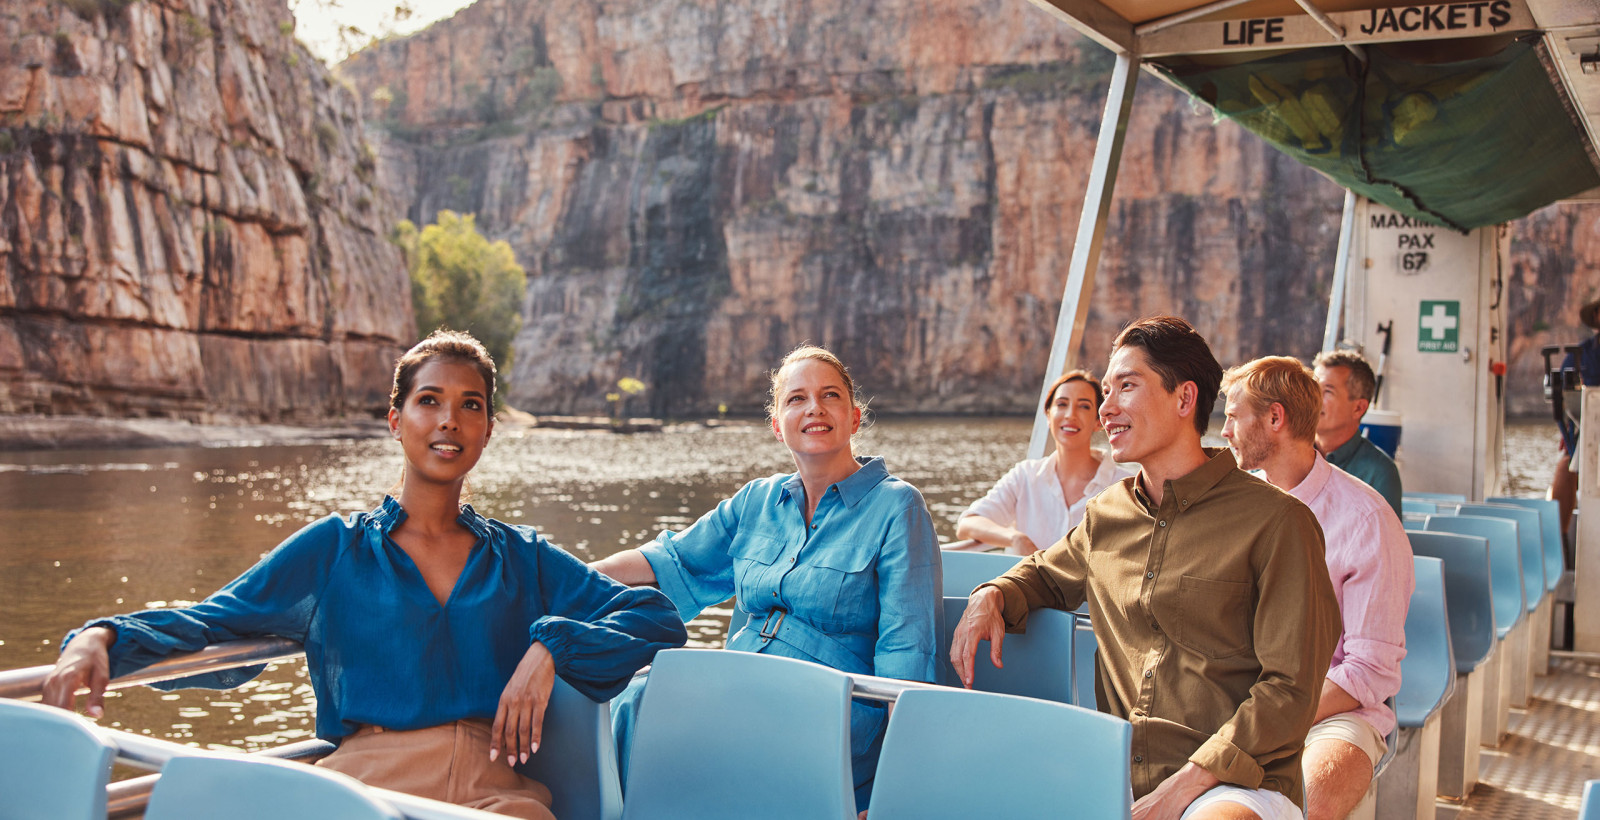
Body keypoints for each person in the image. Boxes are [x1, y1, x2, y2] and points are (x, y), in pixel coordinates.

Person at [41, 330, 688, 819]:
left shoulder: (521, 556)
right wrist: (102, 637)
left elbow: (654, 617)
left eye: (470, 405)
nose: (449, 420)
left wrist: (552, 646)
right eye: (429, 401)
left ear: (488, 430)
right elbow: (214, 621)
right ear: (396, 421)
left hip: (493, 793)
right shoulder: (335, 548)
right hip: (364, 789)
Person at [950, 316, 1340, 820]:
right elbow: (1044, 574)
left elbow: (1290, 690)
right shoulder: (1105, 514)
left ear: (1184, 399)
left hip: (1235, 783)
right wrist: (990, 595)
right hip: (1113, 771)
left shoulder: (1280, 521)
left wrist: (1183, 787)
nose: (1106, 409)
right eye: (1106, 391)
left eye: (1127, 387)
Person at [590, 345, 941, 813]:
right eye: (796, 398)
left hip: (831, 712)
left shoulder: (898, 506)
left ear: (855, 417)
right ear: (777, 425)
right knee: (634, 697)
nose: (814, 408)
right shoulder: (757, 500)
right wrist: (572, 577)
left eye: (830, 395)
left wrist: (892, 796)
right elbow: (671, 560)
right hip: (740, 680)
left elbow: (907, 655)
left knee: (673, 721)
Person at [1220, 356, 1413, 820]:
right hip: (1240, 698)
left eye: (1233, 417)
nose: (1224, 432)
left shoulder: (1367, 521)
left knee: (1311, 801)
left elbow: (1368, 671)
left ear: (1275, 418)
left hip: (1334, 712)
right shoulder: (1234, 505)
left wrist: (1272, 719)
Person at [957, 370, 1133, 554]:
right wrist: (1016, 538)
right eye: (1062, 404)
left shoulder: (1125, 487)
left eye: (1084, 406)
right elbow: (968, 523)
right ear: (1048, 416)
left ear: (1099, 421)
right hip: (1026, 574)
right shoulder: (1025, 476)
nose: (1070, 415)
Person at [1311, 350, 1403, 516]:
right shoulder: (1288, 456)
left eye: (1328, 392)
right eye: (1313, 388)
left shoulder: (1379, 474)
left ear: (1358, 408)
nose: (1314, 398)